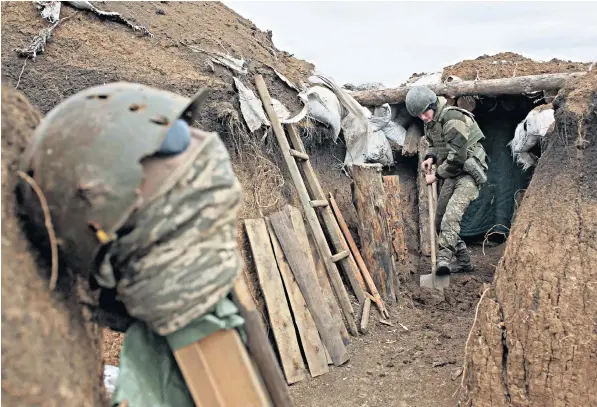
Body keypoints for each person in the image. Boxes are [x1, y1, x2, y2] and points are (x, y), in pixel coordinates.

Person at [405, 86, 489, 275]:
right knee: (439, 220)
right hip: (452, 172)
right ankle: (464, 262)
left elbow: (457, 158)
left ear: (433, 104)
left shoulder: (453, 118)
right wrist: (430, 157)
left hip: (468, 172)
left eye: (425, 112)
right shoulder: (430, 122)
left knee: (451, 216)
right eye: (419, 116)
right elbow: (435, 145)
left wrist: (435, 175)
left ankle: (443, 260)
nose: (423, 118)